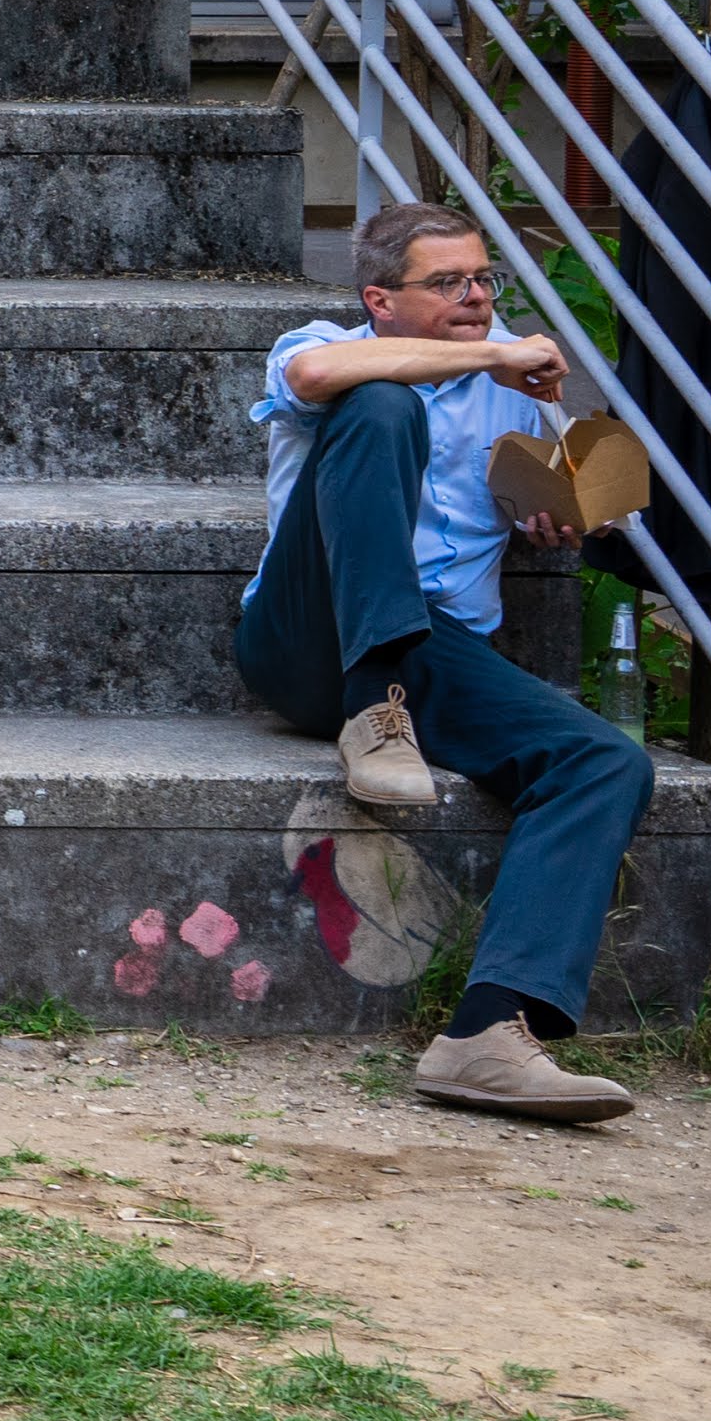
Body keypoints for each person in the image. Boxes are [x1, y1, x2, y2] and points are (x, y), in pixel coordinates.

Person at [240, 205, 652, 1123]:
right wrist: (492, 355)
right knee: (381, 404)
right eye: (449, 283)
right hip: (308, 632)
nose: (477, 298)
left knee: (605, 759)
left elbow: (555, 487)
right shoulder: (323, 344)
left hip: (435, 645)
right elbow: (316, 375)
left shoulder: (517, 380)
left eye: (484, 280)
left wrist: (558, 508)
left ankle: (487, 1034)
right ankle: (370, 706)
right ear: (379, 300)